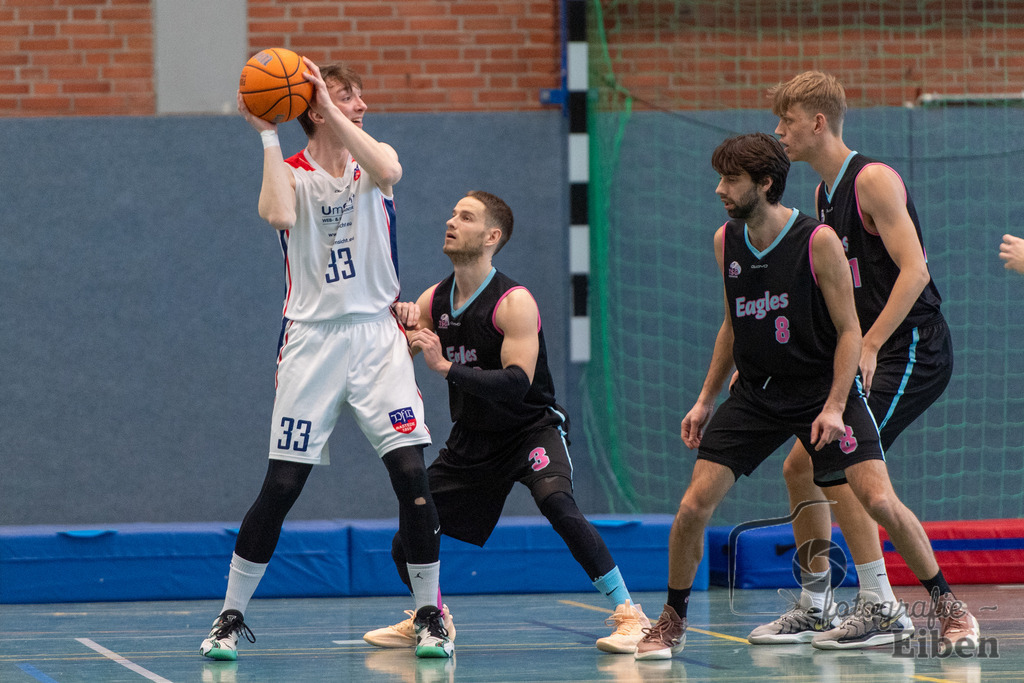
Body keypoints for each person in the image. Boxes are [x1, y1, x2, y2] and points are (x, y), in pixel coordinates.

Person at [635, 133, 978, 660]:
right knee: (693, 506)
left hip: (820, 389)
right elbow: (731, 323)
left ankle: (948, 608)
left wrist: (837, 405)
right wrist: (704, 399)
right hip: (758, 393)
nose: (720, 189)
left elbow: (849, 330)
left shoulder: (818, 240)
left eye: (731, 179)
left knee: (876, 498)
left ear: (765, 183)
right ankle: (674, 620)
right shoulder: (725, 241)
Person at [199, 59, 452, 661]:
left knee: (411, 475)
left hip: (377, 338)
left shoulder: (373, 162)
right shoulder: (291, 173)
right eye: (346, 96)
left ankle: (430, 615)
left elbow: (391, 169)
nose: (361, 105)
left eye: (359, 97)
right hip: (312, 341)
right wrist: (267, 132)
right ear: (313, 107)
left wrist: (332, 110)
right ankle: (230, 616)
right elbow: (278, 215)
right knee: (282, 484)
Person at [362, 190, 651, 654]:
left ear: (491, 236)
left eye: (466, 217)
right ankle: (431, 617)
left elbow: (518, 382)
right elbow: (397, 349)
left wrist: (445, 367)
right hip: (472, 440)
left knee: (558, 504)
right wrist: (399, 322)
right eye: (453, 213)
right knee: (408, 535)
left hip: (529, 429)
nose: (451, 221)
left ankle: (630, 614)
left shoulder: (514, 302)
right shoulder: (434, 300)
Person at [749, 70, 979, 651]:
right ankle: (816, 604)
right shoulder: (823, 196)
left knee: (854, 473)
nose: (780, 133)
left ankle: (907, 607)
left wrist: (870, 344)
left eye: (787, 122)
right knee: (801, 468)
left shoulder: (871, 180)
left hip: (912, 348)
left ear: (818, 122)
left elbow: (916, 271)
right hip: (871, 350)